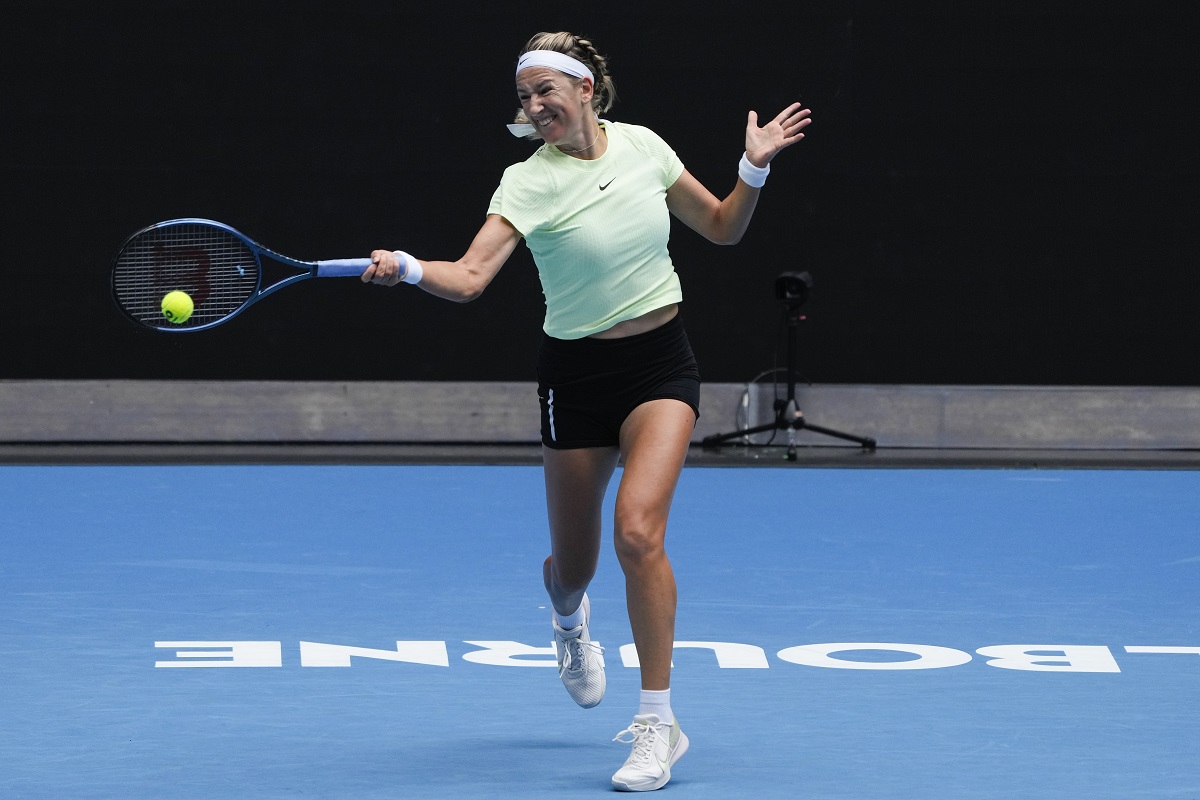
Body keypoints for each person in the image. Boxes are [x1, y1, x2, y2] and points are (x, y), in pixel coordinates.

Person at [362, 31, 811, 792]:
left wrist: (752, 169)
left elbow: (723, 227)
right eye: (526, 96)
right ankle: (569, 624)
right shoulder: (525, 183)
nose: (537, 106)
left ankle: (658, 725)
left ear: (586, 90)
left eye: (548, 91)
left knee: (638, 532)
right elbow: (470, 278)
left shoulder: (644, 149)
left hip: (660, 365)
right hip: (573, 376)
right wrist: (406, 268)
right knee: (573, 569)